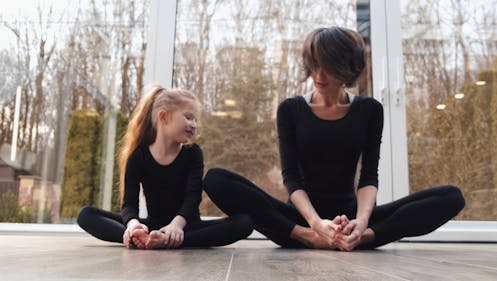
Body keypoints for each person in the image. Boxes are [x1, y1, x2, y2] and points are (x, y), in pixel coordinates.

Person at [203, 26, 465, 251]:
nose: (319, 75)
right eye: (314, 65)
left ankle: (360, 240)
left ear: (346, 67)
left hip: (351, 219)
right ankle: (310, 239)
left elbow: (369, 177)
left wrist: (361, 225)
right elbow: (291, 178)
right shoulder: (290, 109)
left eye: (328, 67)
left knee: (451, 197)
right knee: (216, 179)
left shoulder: (370, 109)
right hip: (298, 221)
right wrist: (316, 227)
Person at [77, 85, 252, 249]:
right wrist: (133, 225)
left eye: (196, 120)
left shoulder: (193, 153)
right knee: (86, 214)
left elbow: (193, 198)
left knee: (244, 222)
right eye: (189, 117)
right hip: (153, 226)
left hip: (186, 227)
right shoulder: (139, 156)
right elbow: (129, 204)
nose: (194, 125)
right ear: (164, 117)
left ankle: (168, 240)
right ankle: (139, 237)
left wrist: (176, 227)